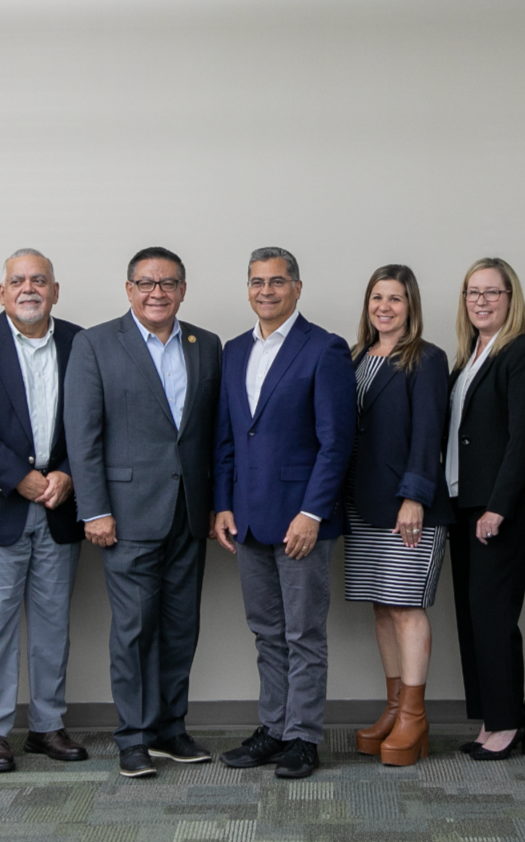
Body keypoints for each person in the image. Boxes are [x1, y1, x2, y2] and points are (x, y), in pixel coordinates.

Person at [64, 247, 222, 779]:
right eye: (147, 283)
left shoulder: (206, 345)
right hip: (125, 515)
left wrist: (216, 504)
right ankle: (132, 736)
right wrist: (94, 510)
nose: (158, 292)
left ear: (182, 289)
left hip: (188, 513)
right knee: (133, 629)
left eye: (169, 283)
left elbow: (211, 437)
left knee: (181, 626)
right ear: (128, 289)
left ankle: (169, 729)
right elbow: (82, 437)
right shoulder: (95, 344)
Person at [0, 248, 87, 774]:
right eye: (18, 281)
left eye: (39, 280)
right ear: (1, 292)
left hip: (59, 504)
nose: (29, 289)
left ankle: (47, 727)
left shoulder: (80, 342)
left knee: (53, 626)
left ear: (54, 290)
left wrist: (67, 471)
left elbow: (96, 419)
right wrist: (19, 477)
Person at [212, 246, 355, 780]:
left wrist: (312, 513)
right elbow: (228, 438)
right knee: (266, 632)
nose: (265, 291)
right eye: (256, 282)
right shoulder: (232, 351)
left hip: (301, 521)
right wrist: (222, 504)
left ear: (297, 287)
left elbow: (335, 443)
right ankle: (273, 728)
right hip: (246, 518)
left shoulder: (325, 349)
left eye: (276, 281)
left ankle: (303, 737)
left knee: (303, 635)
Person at [343, 265, 451, 768]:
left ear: (412, 306)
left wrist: (415, 496)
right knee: (382, 607)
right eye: (377, 298)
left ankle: (414, 716)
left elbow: (429, 433)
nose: (384, 307)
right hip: (364, 503)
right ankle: (392, 709)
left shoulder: (426, 360)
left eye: (396, 298)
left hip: (407, 507)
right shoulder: (356, 356)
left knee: (406, 607)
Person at [446, 257, 525, 761]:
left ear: (511, 299)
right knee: (474, 615)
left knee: (493, 614)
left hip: (503, 505)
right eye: (473, 292)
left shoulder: (524, 354)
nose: (481, 301)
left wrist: (498, 507)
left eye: (492, 292)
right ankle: (497, 716)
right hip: (466, 502)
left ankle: (508, 725)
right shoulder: (468, 356)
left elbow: (523, 440)